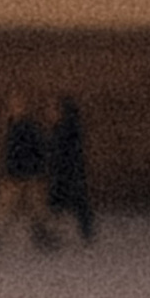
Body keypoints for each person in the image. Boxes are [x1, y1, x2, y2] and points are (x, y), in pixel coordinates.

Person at [0, 93, 54, 251]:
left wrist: (32, 169)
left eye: (17, 105)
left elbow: (33, 151)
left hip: (25, 174)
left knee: (29, 207)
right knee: (7, 206)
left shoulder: (26, 127)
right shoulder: (15, 125)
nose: (14, 109)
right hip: (19, 173)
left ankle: (43, 236)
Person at [43, 94, 94, 245]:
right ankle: (83, 232)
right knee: (74, 204)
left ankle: (53, 234)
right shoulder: (67, 128)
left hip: (65, 174)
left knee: (63, 203)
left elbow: (60, 153)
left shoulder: (63, 130)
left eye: (53, 109)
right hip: (69, 174)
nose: (49, 112)